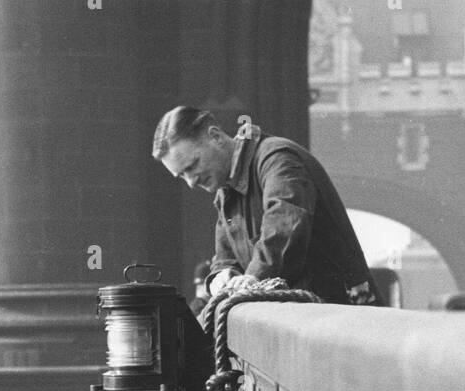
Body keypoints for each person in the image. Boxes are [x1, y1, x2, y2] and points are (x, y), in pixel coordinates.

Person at [153, 107, 383, 307]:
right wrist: (222, 276)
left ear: (215, 136)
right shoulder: (226, 191)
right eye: (181, 175)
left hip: (337, 316)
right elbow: (225, 259)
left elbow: (283, 227)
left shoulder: (278, 160)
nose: (191, 182)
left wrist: (253, 278)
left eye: (192, 165)